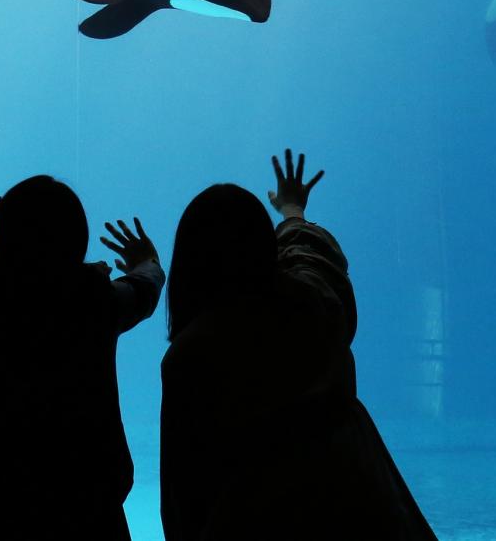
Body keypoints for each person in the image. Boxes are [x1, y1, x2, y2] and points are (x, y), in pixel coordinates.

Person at [160, 149, 437, 541]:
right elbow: (312, 257)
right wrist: (292, 211)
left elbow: (183, 495)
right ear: (265, 249)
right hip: (361, 512)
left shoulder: (189, 358)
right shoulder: (315, 305)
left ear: (188, 263)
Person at [0, 175, 164, 541]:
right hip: (86, 507)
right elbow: (145, 289)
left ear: (1, 235)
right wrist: (146, 260)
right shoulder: (94, 300)